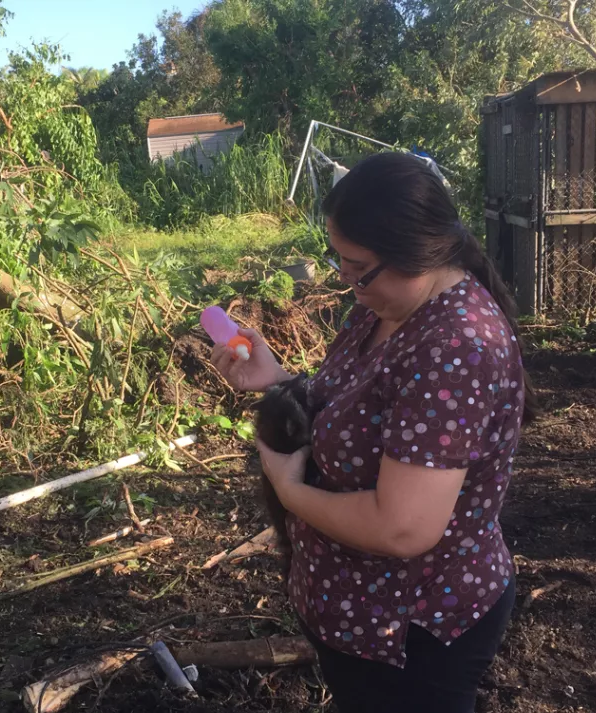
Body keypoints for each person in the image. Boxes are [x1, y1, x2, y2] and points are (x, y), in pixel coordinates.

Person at [210, 151, 533, 713]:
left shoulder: (453, 348)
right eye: (340, 260)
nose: (344, 277)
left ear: (418, 252)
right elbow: (367, 405)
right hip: (364, 619)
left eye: (356, 265)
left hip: (410, 630)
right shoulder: (387, 304)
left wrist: (290, 491)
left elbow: (403, 528)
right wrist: (279, 379)